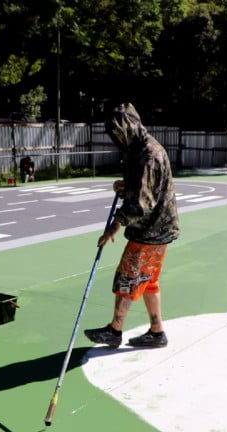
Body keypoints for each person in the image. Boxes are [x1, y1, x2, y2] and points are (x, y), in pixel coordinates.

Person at [83, 103, 180, 349]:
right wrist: (127, 186)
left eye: (119, 132)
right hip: (159, 228)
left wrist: (114, 226)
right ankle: (157, 332)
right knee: (148, 281)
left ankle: (115, 330)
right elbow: (145, 186)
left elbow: (141, 203)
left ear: (130, 127)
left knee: (128, 278)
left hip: (150, 230)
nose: (117, 138)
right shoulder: (141, 148)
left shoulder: (148, 154)